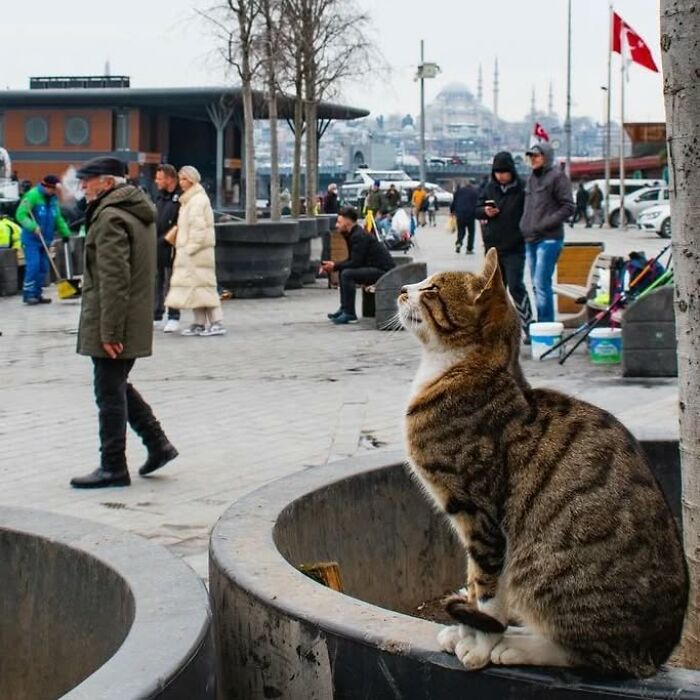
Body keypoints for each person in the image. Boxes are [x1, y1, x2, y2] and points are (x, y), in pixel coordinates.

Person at [70, 157, 178, 488]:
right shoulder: (135, 210)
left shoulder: (111, 218)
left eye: (88, 181)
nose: (83, 187)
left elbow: (114, 279)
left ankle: (113, 465)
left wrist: (110, 331)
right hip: (130, 317)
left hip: (115, 320)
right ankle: (158, 444)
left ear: (106, 182)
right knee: (116, 384)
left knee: (109, 392)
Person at [475, 151, 534, 340]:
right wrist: (485, 211)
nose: (501, 176)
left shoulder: (522, 189)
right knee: (495, 291)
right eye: (497, 172)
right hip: (493, 247)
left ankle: (529, 326)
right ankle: (494, 331)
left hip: (515, 246)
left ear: (511, 171)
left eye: (504, 172)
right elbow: (475, 209)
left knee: (516, 286)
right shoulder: (488, 188)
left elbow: (531, 212)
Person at [165, 166, 226, 337]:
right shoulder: (189, 200)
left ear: (191, 180)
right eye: (180, 179)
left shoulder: (197, 200)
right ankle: (199, 322)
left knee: (205, 287)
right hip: (190, 252)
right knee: (196, 288)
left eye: (184, 179)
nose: (181, 183)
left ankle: (216, 322)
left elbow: (199, 228)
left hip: (197, 253)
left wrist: (191, 248)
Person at [520, 142, 575, 323]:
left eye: (537, 155)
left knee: (541, 284)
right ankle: (543, 326)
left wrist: (545, 224)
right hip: (531, 238)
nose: (533, 159)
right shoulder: (531, 179)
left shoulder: (557, 177)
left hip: (549, 238)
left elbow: (568, 207)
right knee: (537, 286)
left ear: (546, 157)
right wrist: (525, 226)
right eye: (531, 156)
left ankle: (546, 327)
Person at [319, 206, 396, 325]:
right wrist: (335, 265)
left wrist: (334, 265)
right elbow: (352, 260)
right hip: (375, 268)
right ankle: (344, 308)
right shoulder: (351, 234)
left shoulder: (358, 236)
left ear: (347, 221)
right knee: (344, 271)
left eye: (339, 222)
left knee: (347, 274)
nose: (336, 225)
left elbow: (355, 262)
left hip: (384, 272)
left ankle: (350, 314)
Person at [15, 174, 71, 304]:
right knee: (33, 266)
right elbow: (20, 214)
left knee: (43, 268)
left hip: (46, 239)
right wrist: (33, 226)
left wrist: (65, 233)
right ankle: (28, 294)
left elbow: (57, 217)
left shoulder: (53, 200)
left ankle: (37, 293)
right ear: (46, 186)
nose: (53, 192)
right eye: (52, 189)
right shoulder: (32, 196)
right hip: (32, 239)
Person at [153, 164, 182, 333]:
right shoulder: (160, 197)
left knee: (173, 282)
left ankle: (173, 315)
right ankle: (156, 314)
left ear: (170, 178)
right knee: (157, 280)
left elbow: (181, 222)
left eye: (160, 178)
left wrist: (168, 238)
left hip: (172, 245)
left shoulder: (180, 197)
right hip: (157, 243)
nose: (157, 181)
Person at [450, 179, 478, 254]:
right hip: (470, 215)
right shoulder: (474, 192)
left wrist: (452, 211)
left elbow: (454, 202)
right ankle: (469, 248)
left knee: (461, 231)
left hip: (460, 214)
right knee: (471, 232)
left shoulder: (459, 191)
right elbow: (477, 204)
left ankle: (459, 243)